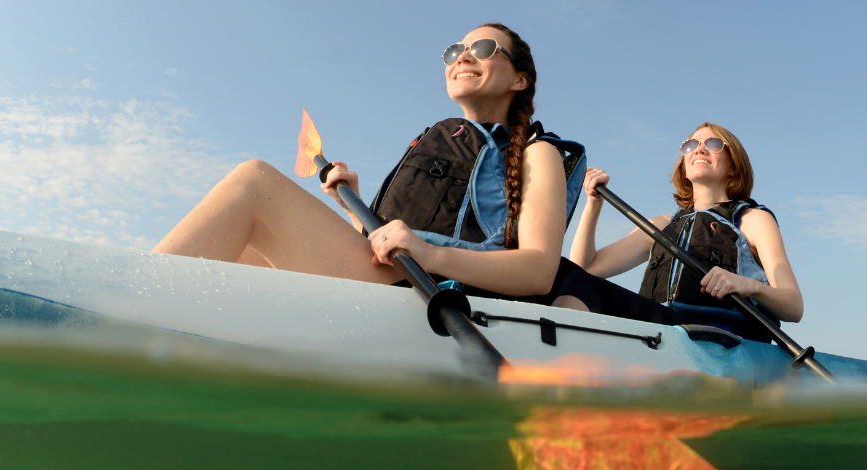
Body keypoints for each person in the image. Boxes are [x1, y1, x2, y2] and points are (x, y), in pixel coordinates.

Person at [154, 23, 584, 304]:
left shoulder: (535, 151)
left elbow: (538, 271)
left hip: (434, 289)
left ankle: (129, 302)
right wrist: (354, 206)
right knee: (247, 250)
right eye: (455, 50)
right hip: (396, 276)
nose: (462, 57)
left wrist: (430, 255)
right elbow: (382, 244)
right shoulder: (441, 142)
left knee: (253, 184)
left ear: (520, 79)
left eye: (483, 48)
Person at [553, 123, 803, 342]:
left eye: (714, 144)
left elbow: (794, 306)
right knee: (577, 282)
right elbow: (583, 268)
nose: (699, 149)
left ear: (733, 167)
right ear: (684, 164)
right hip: (659, 332)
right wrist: (594, 205)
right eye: (690, 144)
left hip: (719, 337)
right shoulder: (661, 225)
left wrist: (748, 286)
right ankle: (550, 361)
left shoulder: (752, 219)